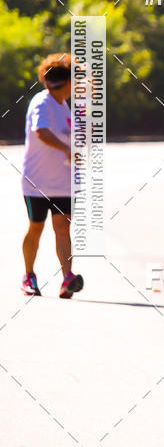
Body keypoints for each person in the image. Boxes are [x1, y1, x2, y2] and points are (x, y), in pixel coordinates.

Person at [21, 54, 84, 299]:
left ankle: (67, 278)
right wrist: (66, 148)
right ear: (67, 82)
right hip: (36, 183)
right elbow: (41, 132)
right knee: (36, 228)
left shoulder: (64, 106)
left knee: (62, 228)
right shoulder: (42, 102)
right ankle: (29, 275)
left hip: (63, 184)